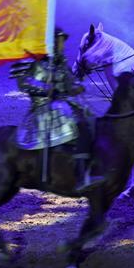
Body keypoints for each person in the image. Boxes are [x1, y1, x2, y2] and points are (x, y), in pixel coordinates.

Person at [11, 28, 103, 194]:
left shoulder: (60, 62)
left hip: (62, 102)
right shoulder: (34, 61)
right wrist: (47, 88)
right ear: (50, 43)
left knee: (92, 120)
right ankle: (82, 176)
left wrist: (75, 88)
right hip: (43, 106)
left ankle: (89, 162)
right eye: (59, 41)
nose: (62, 45)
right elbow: (23, 83)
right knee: (80, 124)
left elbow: (69, 83)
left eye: (62, 41)